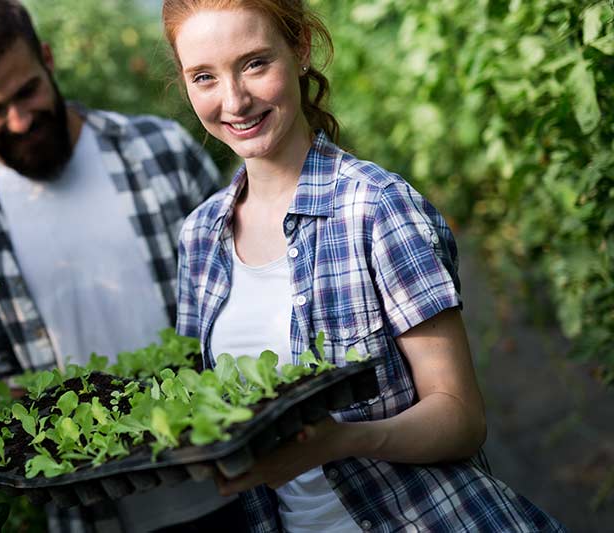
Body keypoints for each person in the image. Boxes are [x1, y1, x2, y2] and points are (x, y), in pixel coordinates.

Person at [163, 0, 567, 531]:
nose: (234, 100)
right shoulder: (200, 237)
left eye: (255, 63)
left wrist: (344, 440)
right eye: (204, 77)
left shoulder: (376, 207)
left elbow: (461, 417)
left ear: (301, 49)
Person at [0, 1, 247, 531]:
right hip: (96, 516)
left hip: (232, 482)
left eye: (27, 90)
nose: (19, 120)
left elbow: (242, 286)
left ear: (47, 58)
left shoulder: (159, 152)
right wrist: (6, 404)